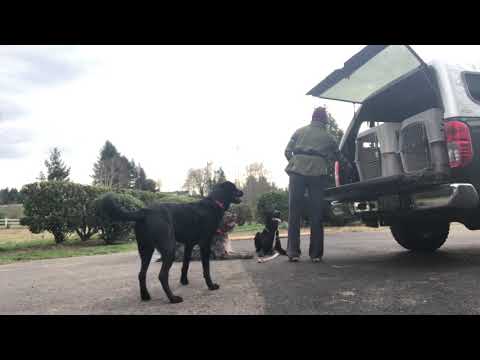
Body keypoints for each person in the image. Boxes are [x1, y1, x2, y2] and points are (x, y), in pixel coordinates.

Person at [284, 106, 342, 263]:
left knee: (294, 212)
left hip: (297, 173)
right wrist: (326, 163)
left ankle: (293, 252)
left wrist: (296, 163)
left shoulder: (299, 131)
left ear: (312, 117)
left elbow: (287, 151)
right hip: (317, 173)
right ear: (325, 120)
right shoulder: (329, 137)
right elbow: (338, 156)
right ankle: (315, 255)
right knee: (316, 213)